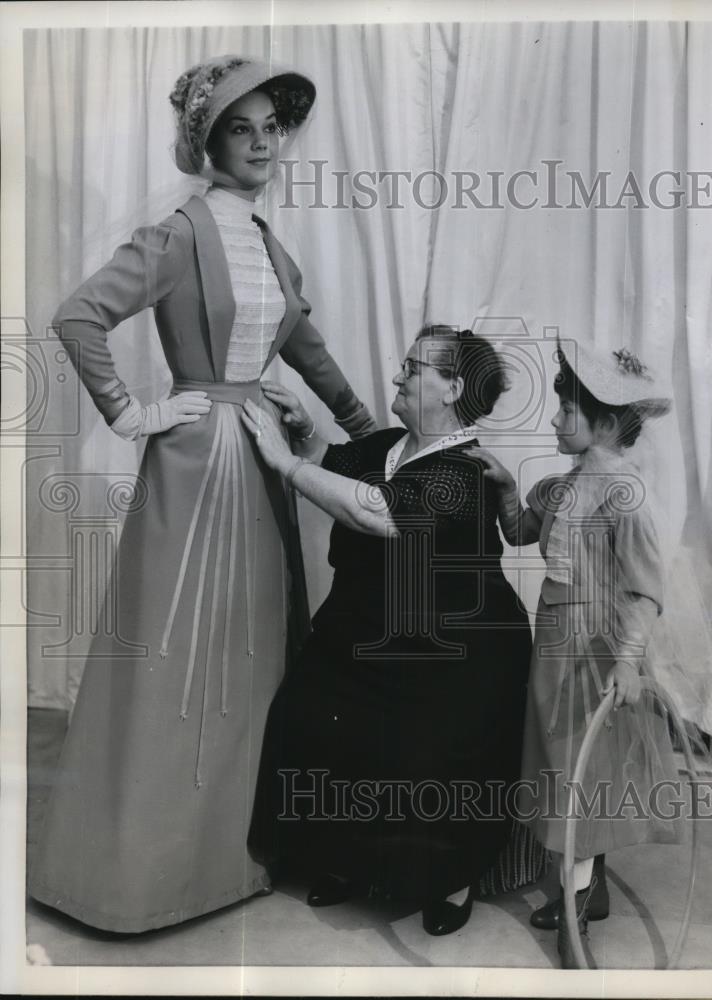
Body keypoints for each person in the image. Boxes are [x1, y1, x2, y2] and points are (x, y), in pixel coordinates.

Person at [29, 55, 375, 934]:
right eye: (239, 127)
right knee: (176, 660)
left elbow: (306, 346)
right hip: (192, 467)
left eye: (271, 126)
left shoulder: (264, 242)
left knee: (255, 655)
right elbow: (78, 315)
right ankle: (143, 878)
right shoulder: (179, 233)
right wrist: (134, 411)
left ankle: (238, 861)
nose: (261, 143)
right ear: (205, 139)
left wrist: (369, 431)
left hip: (260, 461)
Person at [243, 325, 533, 936]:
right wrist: (306, 433)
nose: (398, 376)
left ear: (453, 387)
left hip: (456, 648)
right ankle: (347, 859)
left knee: (427, 755)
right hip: (375, 626)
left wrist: (285, 462)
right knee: (311, 711)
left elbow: (379, 511)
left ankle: (449, 876)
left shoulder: (466, 469)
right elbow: (346, 464)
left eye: (413, 368)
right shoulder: (393, 444)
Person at [467, 341, 683, 967]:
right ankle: (591, 893)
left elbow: (644, 589)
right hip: (555, 640)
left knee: (581, 774)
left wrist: (627, 659)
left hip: (595, 646)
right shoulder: (560, 487)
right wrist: (509, 487)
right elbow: (518, 532)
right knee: (565, 768)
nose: (556, 421)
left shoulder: (625, 495)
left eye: (567, 412)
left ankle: (574, 910)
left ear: (608, 425)